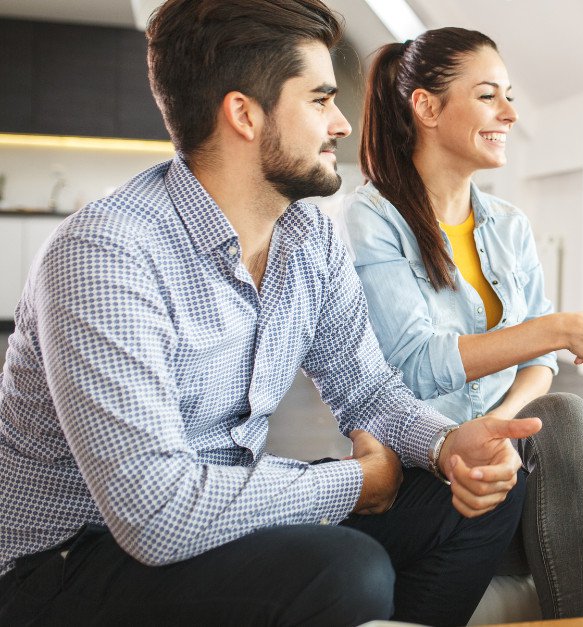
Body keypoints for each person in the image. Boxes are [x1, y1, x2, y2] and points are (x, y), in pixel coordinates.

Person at [0, 2, 539, 625]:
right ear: (244, 115)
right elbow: (154, 513)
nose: (340, 123)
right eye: (318, 100)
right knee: (345, 570)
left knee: (482, 498)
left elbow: (367, 393)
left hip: (222, 511)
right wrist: (354, 484)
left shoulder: (309, 234)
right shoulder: (106, 255)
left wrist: (447, 446)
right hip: (68, 561)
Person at [341, 28, 583, 626]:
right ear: (427, 107)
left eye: (509, 95)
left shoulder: (509, 224)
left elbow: (541, 365)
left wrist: (500, 419)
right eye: (489, 96)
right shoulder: (371, 219)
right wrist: (557, 328)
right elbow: (415, 363)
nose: (510, 113)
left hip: (501, 445)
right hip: (426, 461)